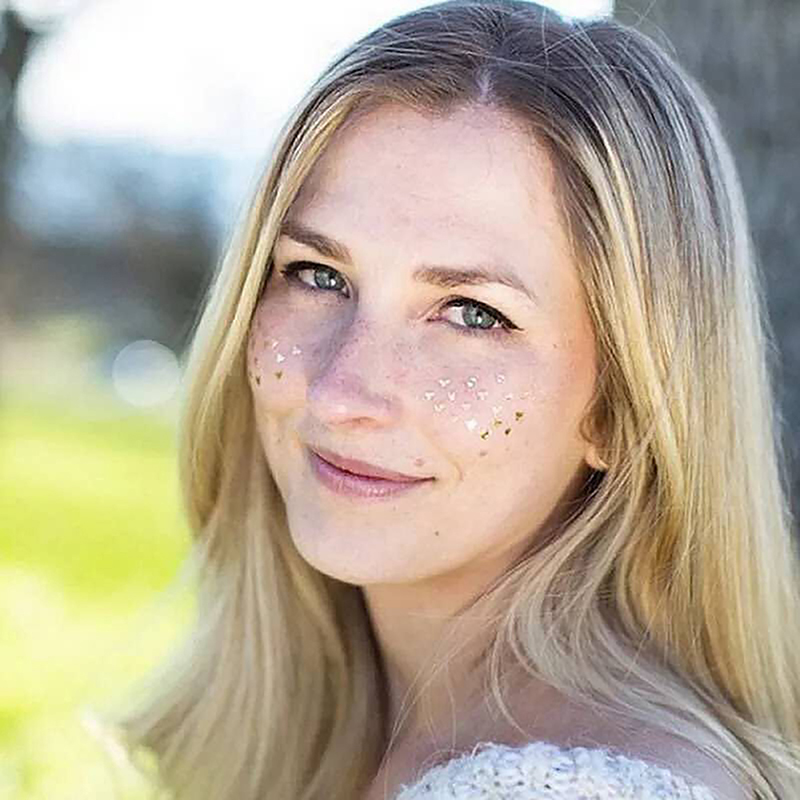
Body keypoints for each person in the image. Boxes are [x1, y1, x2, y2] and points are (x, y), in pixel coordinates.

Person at [109, 1, 800, 798]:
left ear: (622, 406)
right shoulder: (355, 736)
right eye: (318, 275)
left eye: (473, 313)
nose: (341, 394)